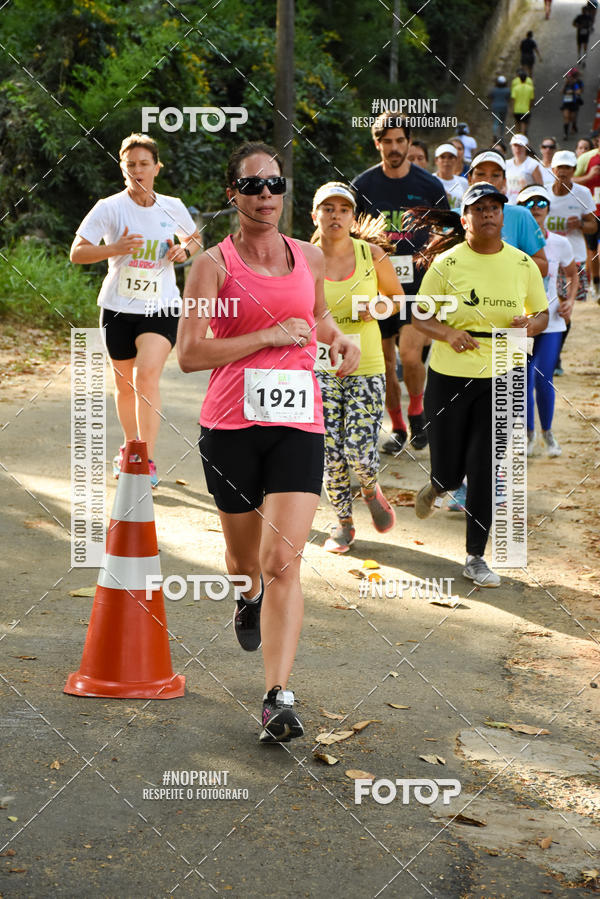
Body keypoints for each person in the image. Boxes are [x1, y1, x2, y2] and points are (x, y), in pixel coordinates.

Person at [177, 142, 359, 743]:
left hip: (298, 423)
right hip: (230, 427)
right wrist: (262, 337)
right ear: (233, 194)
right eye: (252, 186)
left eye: (275, 184)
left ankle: (277, 696)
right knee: (242, 561)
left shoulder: (307, 255)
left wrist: (336, 339)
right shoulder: (212, 266)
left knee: (283, 561)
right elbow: (189, 353)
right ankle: (244, 596)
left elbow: (319, 317)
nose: (266, 195)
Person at [412, 182, 548, 587]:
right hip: (450, 375)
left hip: (503, 376)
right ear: (465, 218)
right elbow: (420, 317)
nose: (488, 214)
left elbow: (540, 314)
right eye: (479, 208)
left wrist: (530, 325)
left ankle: (475, 556)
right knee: (451, 471)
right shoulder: (446, 264)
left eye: (494, 207)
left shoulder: (523, 264)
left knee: (485, 468)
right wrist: (447, 333)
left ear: (503, 216)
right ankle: (439, 484)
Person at [70, 133, 201, 488]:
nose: (137, 170)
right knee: (125, 385)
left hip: (161, 307)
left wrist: (182, 252)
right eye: (131, 165)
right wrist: (114, 247)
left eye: (144, 164)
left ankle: (146, 458)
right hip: (117, 307)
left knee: (147, 377)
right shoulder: (108, 207)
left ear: (157, 167)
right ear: (122, 168)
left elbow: (195, 238)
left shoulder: (172, 206)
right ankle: (130, 447)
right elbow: (77, 252)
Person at [442, 148, 548, 512]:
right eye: (479, 172)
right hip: (467, 335)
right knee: (464, 421)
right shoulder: (464, 215)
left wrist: (512, 273)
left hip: (510, 335)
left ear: (506, 181)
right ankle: (461, 484)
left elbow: (542, 263)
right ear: (468, 180)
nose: (488, 177)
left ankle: (492, 481)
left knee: (501, 419)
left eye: (496, 172)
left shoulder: (516, 215)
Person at [310, 182, 404, 552]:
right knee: (329, 451)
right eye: (328, 209)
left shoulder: (372, 255)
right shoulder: (303, 257)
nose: (336, 216)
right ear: (315, 215)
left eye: (343, 209)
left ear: (352, 216)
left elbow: (396, 299)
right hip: (320, 366)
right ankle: (343, 523)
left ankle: (369, 487)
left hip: (365, 365)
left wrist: (377, 308)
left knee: (359, 453)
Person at [351, 111, 449, 455]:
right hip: (377, 285)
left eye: (400, 141)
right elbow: (349, 238)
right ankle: (397, 425)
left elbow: (447, 234)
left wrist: (436, 261)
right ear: (377, 144)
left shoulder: (429, 186)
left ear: (409, 143)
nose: (394, 148)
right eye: (387, 141)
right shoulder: (362, 187)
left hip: (419, 285)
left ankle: (417, 410)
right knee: (384, 362)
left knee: (410, 356)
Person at [516, 185, 578, 457]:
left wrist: (570, 301)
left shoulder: (560, 243)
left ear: (548, 208)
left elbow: (572, 274)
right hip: (519, 323)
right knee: (523, 380)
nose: (537, 207)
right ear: (520, 210)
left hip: (551, 321)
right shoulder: (510, 243)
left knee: (543, 379)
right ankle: (528, 436)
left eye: (542, 201)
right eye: (529, 203)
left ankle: (548, 434)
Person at [547, 149, 596, 371]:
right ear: (553, 170)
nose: (564, 172)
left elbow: (594, 225)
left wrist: (580, 225)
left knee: (564, 310)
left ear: (574, 170)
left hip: (573, 259)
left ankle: (555, 357)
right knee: (549, 306)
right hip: (547, 259)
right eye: (560, 168)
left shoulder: (582, 193)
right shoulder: (543, 195)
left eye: (568, 168)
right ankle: (549, 355)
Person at [573, 137, 600, 298]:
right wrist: (589, 176)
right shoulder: (587, 158)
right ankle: (595, 283)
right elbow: (571, 180)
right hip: (591, 211)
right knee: (592, 252)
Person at [505, 134, 543, 204]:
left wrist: (527, 188)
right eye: (515, 145)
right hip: (509, 203)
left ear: (526, 147)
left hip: (526, 203)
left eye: (520, 145)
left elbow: (540, 188)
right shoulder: (506, 164)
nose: (517, 149)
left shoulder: (533, 164)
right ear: (511, 147)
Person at [434, 143, 469, 210]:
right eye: (443, 157)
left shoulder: (463, 182)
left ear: (456, 160)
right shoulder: (431, 180)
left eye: (451, 157)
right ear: (436, 160)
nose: (446, 160)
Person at [561, 68, 584, 140]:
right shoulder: (566, 84)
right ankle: (565, 134)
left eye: (570, 77)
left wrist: (572, 92)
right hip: (566, 103)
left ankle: (574, 126)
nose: (569, 79)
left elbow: (579, 91)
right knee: (566, 117)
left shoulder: (576, 83)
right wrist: (565, 85)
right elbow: (561, 92)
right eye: (567, 77)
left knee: (572, 118)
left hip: (574, 103)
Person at [511, 69, 535, 135]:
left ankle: (517, 138)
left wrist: (512, 109)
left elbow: (513, 99)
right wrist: (530, 107)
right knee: (524, 124)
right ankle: (523, 137)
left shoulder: (516, 87)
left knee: (517, 125)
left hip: (517, 109)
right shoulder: (530, 88)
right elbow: (531, 99)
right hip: (525, 109)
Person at [489, 75, 511, 141]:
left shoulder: (494, 90)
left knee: (495, 121)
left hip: (495, 107)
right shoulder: (507, 90)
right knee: (502, 122)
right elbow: (509, 98)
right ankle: (501, 136)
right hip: (504, 107)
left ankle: (495, 135)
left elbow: (490, 96)